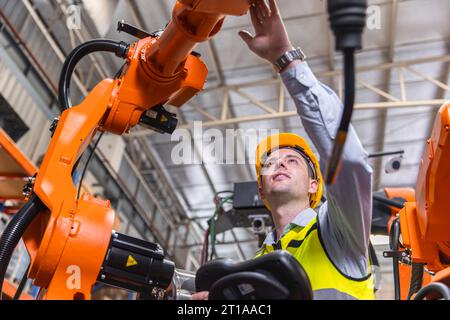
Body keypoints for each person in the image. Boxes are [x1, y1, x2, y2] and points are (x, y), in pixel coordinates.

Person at [193, 0, 374, 300]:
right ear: (262, 192)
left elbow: (350, 162)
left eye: (293, 160)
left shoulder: (340, 231)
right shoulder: (251, 268)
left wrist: (286, 61)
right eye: (271, 164)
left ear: (314, 184)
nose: (279, 165)